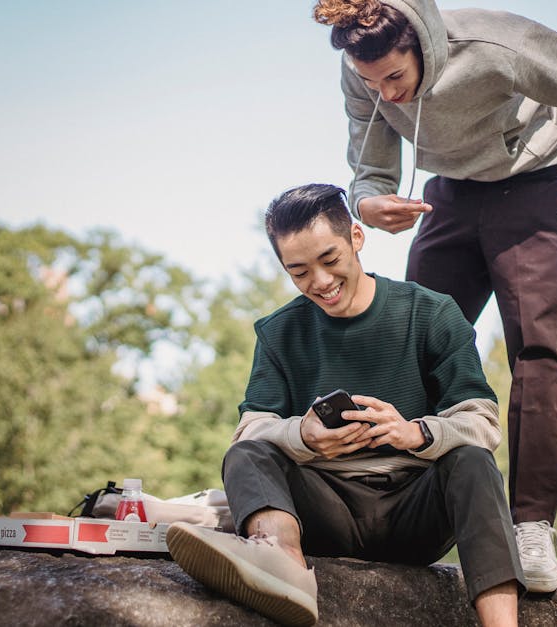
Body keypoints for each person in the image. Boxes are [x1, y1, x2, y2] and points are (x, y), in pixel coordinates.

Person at [312, 0, 557, 593]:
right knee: (410, 344)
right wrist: (369, 202)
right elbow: (371, 163)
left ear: (427, 49)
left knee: (538, 353)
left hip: (538, 186)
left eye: (394, 78)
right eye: (370, 82)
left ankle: (532, 524)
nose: (384, 94)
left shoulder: (497, 46)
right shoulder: (361, 72)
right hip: (451, 195)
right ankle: (390, 501)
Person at [167, 183, 522, 627]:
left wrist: (416, 433)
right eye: (299, 272)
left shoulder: (431, 313)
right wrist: (304, 435)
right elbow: (250, 432)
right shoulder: (279, 333)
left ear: (356, 237)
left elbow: (482, 423)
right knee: (246, 454)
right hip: (324, 514)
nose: (320, 281)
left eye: (329, 260)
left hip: (415, 510)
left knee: (472, 462)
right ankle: (283, 570)